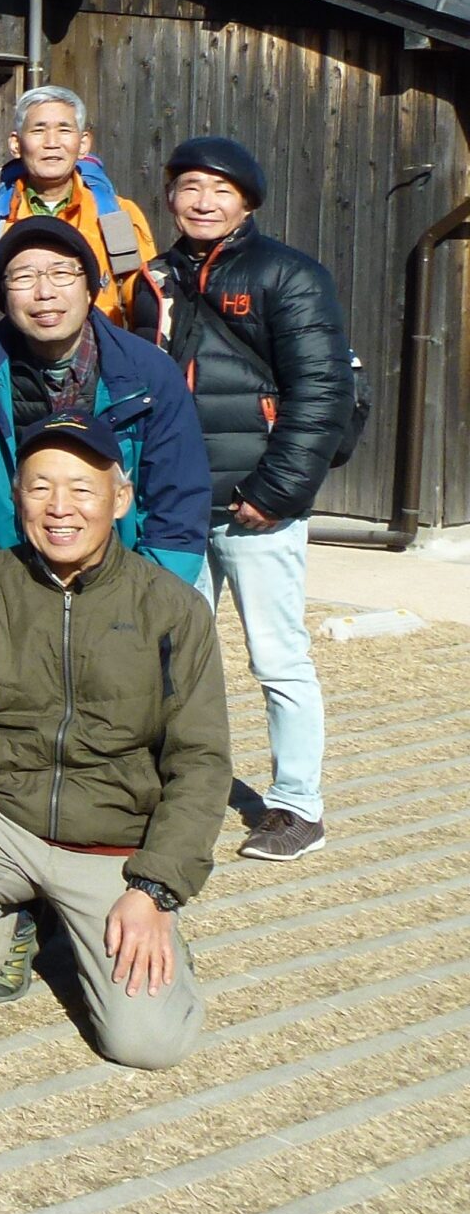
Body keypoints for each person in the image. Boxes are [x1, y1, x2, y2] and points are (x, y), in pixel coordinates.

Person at [0, 412, 228, 1070]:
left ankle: (125, 925)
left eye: (81, 488)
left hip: (112, 843)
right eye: (40, 487)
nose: (59, 507)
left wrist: (156, 888)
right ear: (18, 498)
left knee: (148, 1044)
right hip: (2, 815)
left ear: (120, 498)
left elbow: (202, 761)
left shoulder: (172, 609)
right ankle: (12, 932)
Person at [153, 136, 350, 864]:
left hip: (255, 506)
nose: (204, 202)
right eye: (190, 187)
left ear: (247, 203)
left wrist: (277, 492)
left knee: (278, 658)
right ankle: (181, 788)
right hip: (176, 504)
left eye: (221, 190)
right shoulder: (155, 278)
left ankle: (298, 806)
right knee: (172, 658)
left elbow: (322, 389)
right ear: (170, 197)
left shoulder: (287, 274)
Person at [0, 218, 209, 591]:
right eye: (23, 277)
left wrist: (147, 603)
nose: (44, 292)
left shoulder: (149, 375)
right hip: (8, 586)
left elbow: (177, 505)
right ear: (2, 296)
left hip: (122, 585)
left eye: (62, 273)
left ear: (90, 288)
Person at [0, 85, 160, 336]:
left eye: (64, 130)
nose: (52, 143)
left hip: (98, 351)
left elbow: (144, 305)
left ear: (83, 143)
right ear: (16, 144)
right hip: (10, 353)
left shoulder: (116, 215)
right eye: (38, 130)